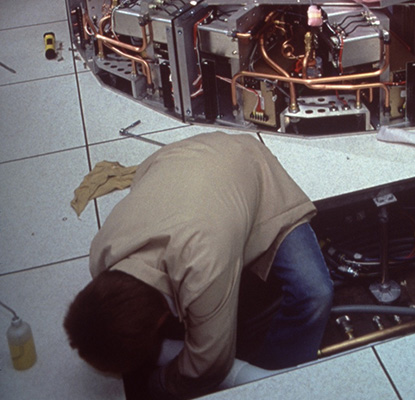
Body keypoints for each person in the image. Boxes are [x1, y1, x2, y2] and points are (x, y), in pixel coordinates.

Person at [64, 132, 333, 399]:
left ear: (160, 320)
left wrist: (158, 383)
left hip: (246, 164)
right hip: (178, 166)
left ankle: (278, 379)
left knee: (315, 294)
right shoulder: (101, 253)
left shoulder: (201, 269)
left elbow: (209, 366)